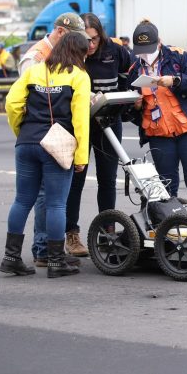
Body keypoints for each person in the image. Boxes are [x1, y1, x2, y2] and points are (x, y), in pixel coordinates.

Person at [0, 31, 91, 278]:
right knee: (55, 204)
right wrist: (81, 157)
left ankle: (11, 258)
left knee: (22, 201)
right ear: (79, 53)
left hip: (27, 142)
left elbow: (12, 103)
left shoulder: (35, 70)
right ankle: (55, 262)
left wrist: (22, 130)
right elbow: (81, 120)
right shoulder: (79, 76)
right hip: (55, 146)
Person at [127, 20, 187, 225]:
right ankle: (171, 233)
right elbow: (131, 113)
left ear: (159, 42)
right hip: (160, 135)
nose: (145, 55)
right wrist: (135, 107)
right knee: (165, 187)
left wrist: (175, 81)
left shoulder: (178, 56)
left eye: (149, 49)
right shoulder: (134, 69)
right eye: (141, 51)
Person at [64, 13, 134, 256]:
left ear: (100, 35)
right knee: (76, 180)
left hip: (109, 123)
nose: (90, 45)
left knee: (107, 180)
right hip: (80, 126)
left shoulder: (116, 50)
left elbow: (130, 77)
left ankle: (107, 233)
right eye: (86, 40)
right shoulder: (72, 54)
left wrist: (122, 106)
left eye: (93, 40)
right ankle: (72, 234)